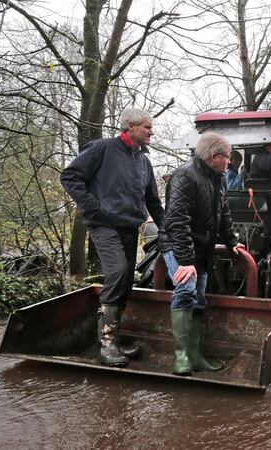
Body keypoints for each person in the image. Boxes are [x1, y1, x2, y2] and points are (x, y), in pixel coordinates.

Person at [60, 107, 164, 368]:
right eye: (147, 126)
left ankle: (116, 340)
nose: (151, 131)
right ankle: (106, 344)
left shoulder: (143, 161)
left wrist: (166, 228)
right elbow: (70, 176)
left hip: (130, 227)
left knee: (127, 280)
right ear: (129, 127)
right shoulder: (103, 149)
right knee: (117, 272)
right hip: (104, 225)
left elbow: (152, 199)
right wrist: (93, 208)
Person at [157, 132, 245, 376]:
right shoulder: (185, 176)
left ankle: (196, 357)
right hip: (178, 245)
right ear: (214, 156)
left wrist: (231, 242)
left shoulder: (219, 178)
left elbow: (223, 213)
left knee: (198, 297)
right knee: (185, 290)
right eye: (228, 158)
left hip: (201, 249)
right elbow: (176, 220)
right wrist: (185, 261)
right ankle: (181, 358)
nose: (230, 162)